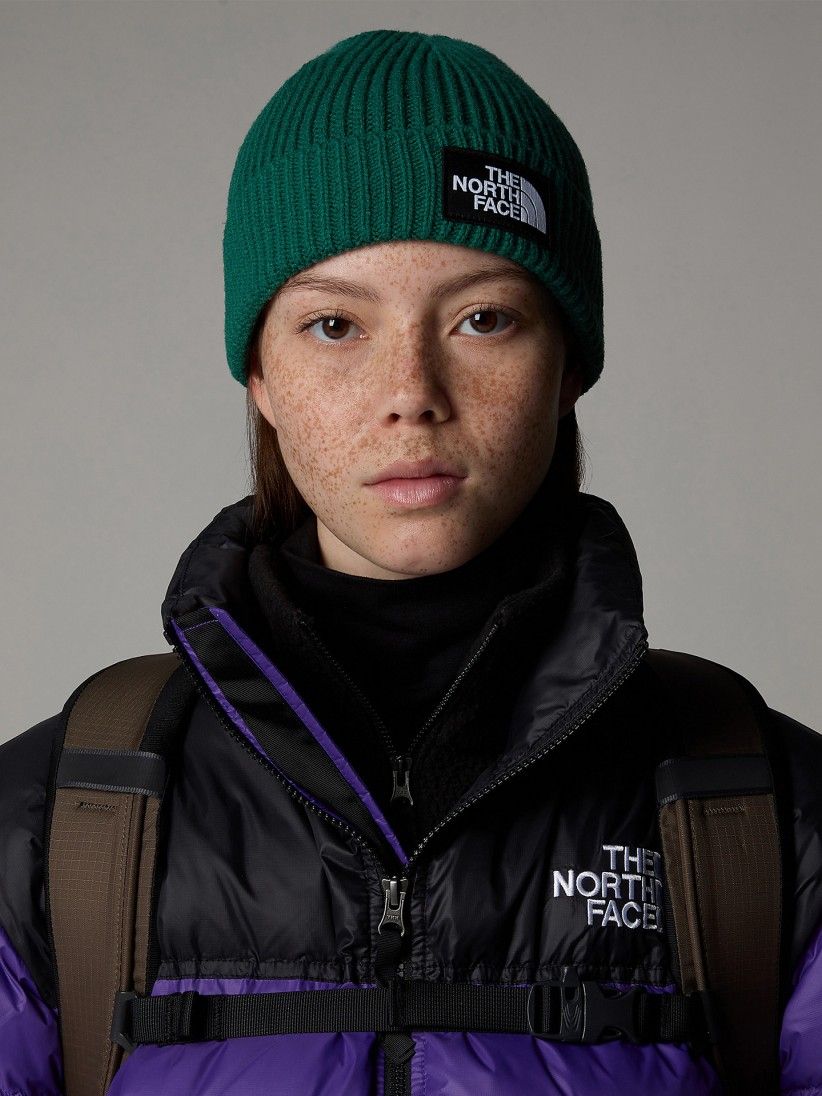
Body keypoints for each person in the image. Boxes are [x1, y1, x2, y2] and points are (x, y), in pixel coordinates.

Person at [1, 27, 820, 1096]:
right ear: (259, 374)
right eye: (334, 325)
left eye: (483, 317)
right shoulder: (59, 821)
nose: (411, 393)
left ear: (568, 365)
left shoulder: (765, 817)